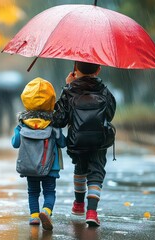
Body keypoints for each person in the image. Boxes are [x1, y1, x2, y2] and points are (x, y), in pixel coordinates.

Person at [52, 61, 116, 227]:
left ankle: (79, 204)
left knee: (80, 169)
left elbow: (59, 119)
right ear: (99, 70)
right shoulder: (104, 90)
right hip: (99, 140)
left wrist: (68, 87)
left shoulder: (70, 90)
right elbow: (110, 114)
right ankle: (92, 212)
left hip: (77, 140)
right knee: (96, 172)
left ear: (75, 69)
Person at [11, 77, 66, 231]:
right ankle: (46, 211)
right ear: (51, 101)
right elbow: (62, 143)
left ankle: (34, 216)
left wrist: (18, 131)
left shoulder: (22, 124)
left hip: (30, 167)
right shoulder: (53, 124)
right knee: (49, 191)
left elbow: (15, 143)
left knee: (33, 192)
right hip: (50, 167)